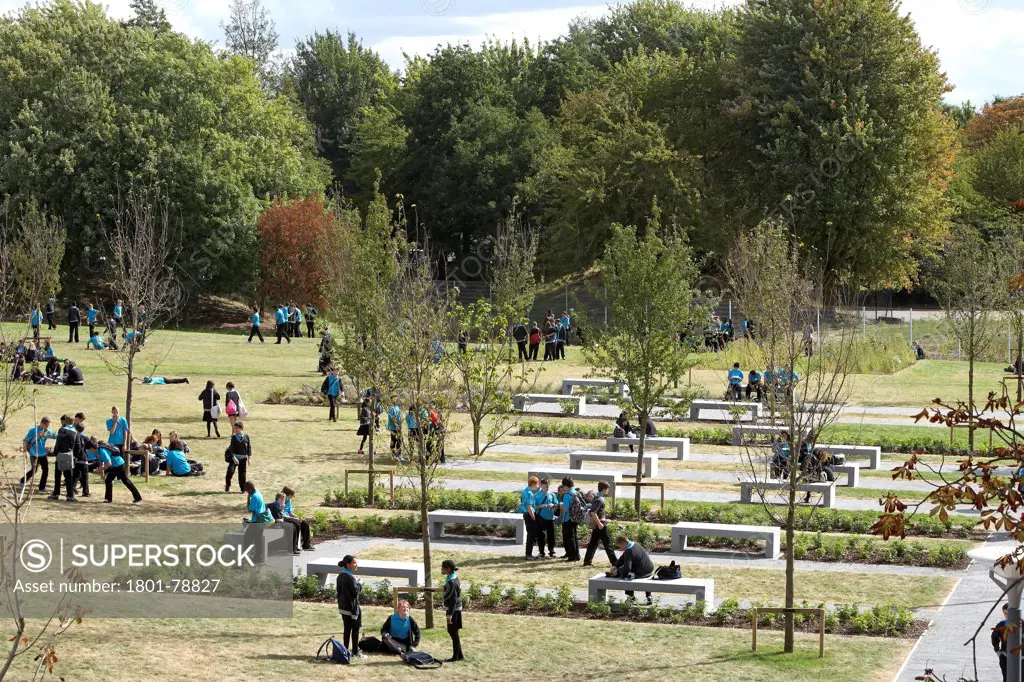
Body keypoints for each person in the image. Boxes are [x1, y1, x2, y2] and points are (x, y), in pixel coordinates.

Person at [94, 436, 142, 504]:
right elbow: (102, 463)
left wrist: (100, 470)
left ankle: (108, 499)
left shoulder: (102, 450)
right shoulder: (103, 449)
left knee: (115, 480)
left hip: (117, 465)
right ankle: (137, 497)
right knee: (122, 480)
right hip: (118, 463)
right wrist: (101, 470)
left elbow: (108, 464)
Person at [608, 536, 655, 603]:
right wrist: (615, 565)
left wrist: (617, 572)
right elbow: (623, 557)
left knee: (626, 575)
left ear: (624, 542)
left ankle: (631, 597)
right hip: (649, 568)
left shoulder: (629, 550)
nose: (620, 549)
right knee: (626, 571)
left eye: (620, 546)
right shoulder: (635, 544)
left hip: (642, 572)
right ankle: (649, 596)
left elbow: (627, 568)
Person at [337, 555, 365, 659]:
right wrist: (360, 583)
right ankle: (355, 652)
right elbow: (356, 592)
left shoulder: (340, 576)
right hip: (352, 609)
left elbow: (339, 592)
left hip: (343, 607)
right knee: (355, 629)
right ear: (348, 564)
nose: (356, 565)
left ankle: (345, 651)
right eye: (354, 563)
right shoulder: (350, 577)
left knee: (346, 630)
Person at [583, 481, 617, 566]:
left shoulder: (596, 497)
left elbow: (597, 512)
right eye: (607, 489)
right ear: (604, 489)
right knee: (607, 543)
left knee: (593, 543)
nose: (608, 491)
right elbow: (593, 512)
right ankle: (615, 562)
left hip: (598, 524)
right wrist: (600, 524)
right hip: (600, 525)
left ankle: (587, 561)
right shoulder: (599, 499)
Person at [49, 415, 83, 502]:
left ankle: (56, 494)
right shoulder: (75, 432)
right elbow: (78, 446)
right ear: (73, 422)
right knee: (68, 476)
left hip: (60, 454)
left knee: (58, 475)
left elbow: (58, 443)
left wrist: (55, 452)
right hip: (69, 455)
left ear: (66, 421)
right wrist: (76, 456)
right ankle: (70, 496)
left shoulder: (62, 430)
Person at [19, 417, 54, 492]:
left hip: (43, 454)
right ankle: (22, 481)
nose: (48, 427)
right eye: (47, 425)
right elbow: (25, 440)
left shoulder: (47, 431)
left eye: (48, 426)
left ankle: (42, 487)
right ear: (42, 423)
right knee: (34, 470)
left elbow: (54, 436)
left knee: (46, 470)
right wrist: (25, 452)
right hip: (34, 454)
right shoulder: (33, 430)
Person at [441, 559, 464, 662]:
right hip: (455, 609)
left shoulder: (451, 581)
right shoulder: (453, 577)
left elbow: (453, 599)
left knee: (453, 632)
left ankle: (456, 657)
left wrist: (449, 615)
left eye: (443, 567)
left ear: (448, 569)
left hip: (453, 610)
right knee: (454, 632)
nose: (441, 569)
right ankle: (459, 655)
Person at [281, 486, 313, 551]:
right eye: (291, 495)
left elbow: (290, 512)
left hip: (289, 517)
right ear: (287, 494)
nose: (292, 497)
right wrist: (294, 519)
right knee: (297, 525)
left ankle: (306, 545)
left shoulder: (288, 500)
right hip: (284, 518)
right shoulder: (281, 500)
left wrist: (297, 517)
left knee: (305, 523)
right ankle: (295, 546)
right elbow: (282, 515)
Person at [224, 420, 251, 493]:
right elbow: (231, 448)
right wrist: (234, 457)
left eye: (236, 428)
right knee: (230, 471)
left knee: (242, 475)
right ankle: (227, 485)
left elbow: (249, 447)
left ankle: (243, 489)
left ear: (241, 428)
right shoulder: (234, 437)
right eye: (234, 428)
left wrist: (249, 458)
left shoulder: (246, 436)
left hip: (243, 459)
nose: (235, 430)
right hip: (234, 458)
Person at [518, 476, 541, 560]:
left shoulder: (525, 491)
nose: (538, 486)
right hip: (529, 515)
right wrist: (533, 517)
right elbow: (529, 507)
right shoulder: (529, 493)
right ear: (533, 483)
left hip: (526, 514)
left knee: (530, 535)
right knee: (531, 536)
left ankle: (529, 554)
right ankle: (528, 555)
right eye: (537, 483)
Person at [560, 477, 582, 562]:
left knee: (569, 538)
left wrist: (561, 506)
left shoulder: (567, 495)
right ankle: (577, 555)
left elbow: (566, 509)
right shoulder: (576, 492)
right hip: (575, 517)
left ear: (566, 486)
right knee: (575, 537)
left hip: (568, 518)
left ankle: (572, 556)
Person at [535, 479, 558, 558]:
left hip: (551, 517)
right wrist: (541, 506)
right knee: (541, 535)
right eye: (545, 486)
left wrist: (553, 506)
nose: (547, 488)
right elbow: (534, 507)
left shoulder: (552, 495)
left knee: (551, 535)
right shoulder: (537, 495)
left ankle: (551, 551)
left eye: (548, 486)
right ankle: (541, 552)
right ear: (541, 486)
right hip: (541, 517)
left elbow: (556, 505)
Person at [993, 602, 1009, 682]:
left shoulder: (1022, 624)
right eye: (1005, 613)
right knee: (1006, 678)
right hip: (1005, 657)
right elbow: (994, 637)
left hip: (1020, 658)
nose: (1007, 615)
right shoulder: (1001, 625)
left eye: (1008, 613)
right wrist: (997, 650)